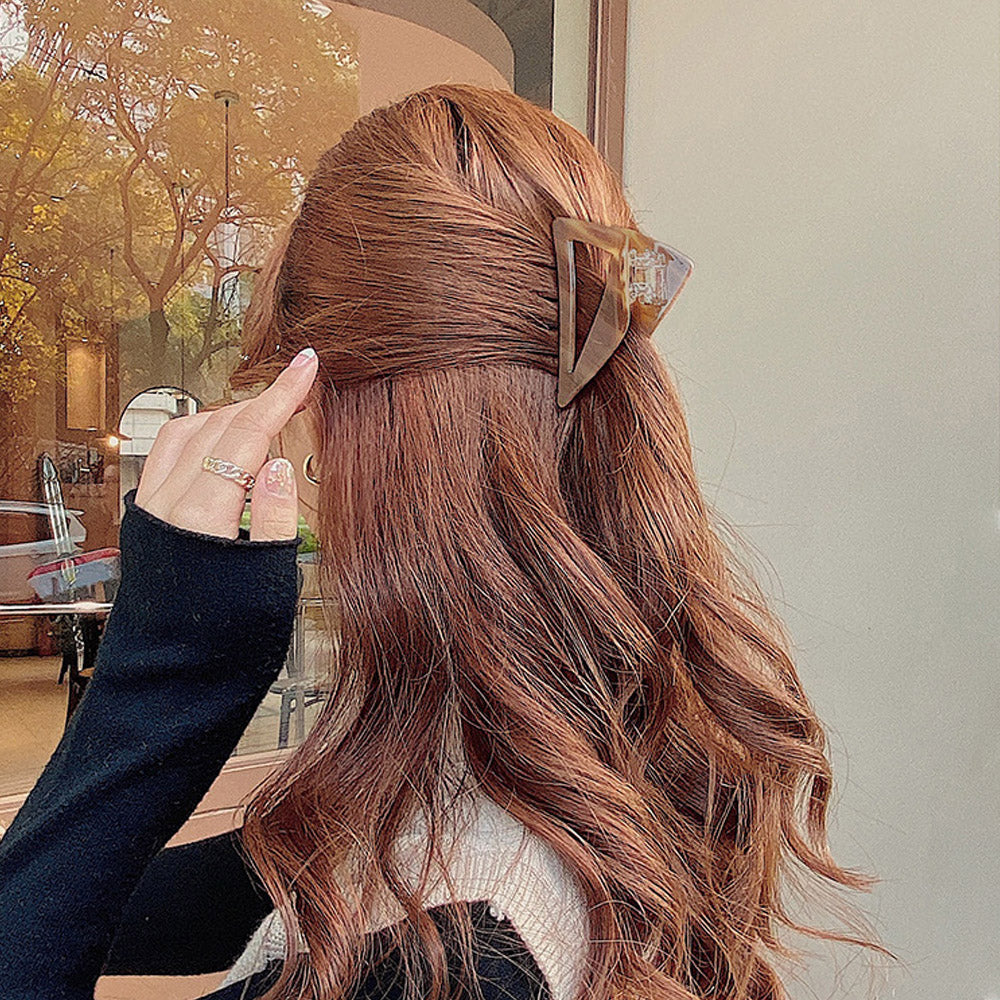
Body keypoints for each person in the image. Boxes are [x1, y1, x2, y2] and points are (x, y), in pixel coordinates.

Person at [0, 84, 885, 1000]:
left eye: (314, 434)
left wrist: (157, 681)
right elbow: (247, 880)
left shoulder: (451, 970)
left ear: (364, 435)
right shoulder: (546, 745)